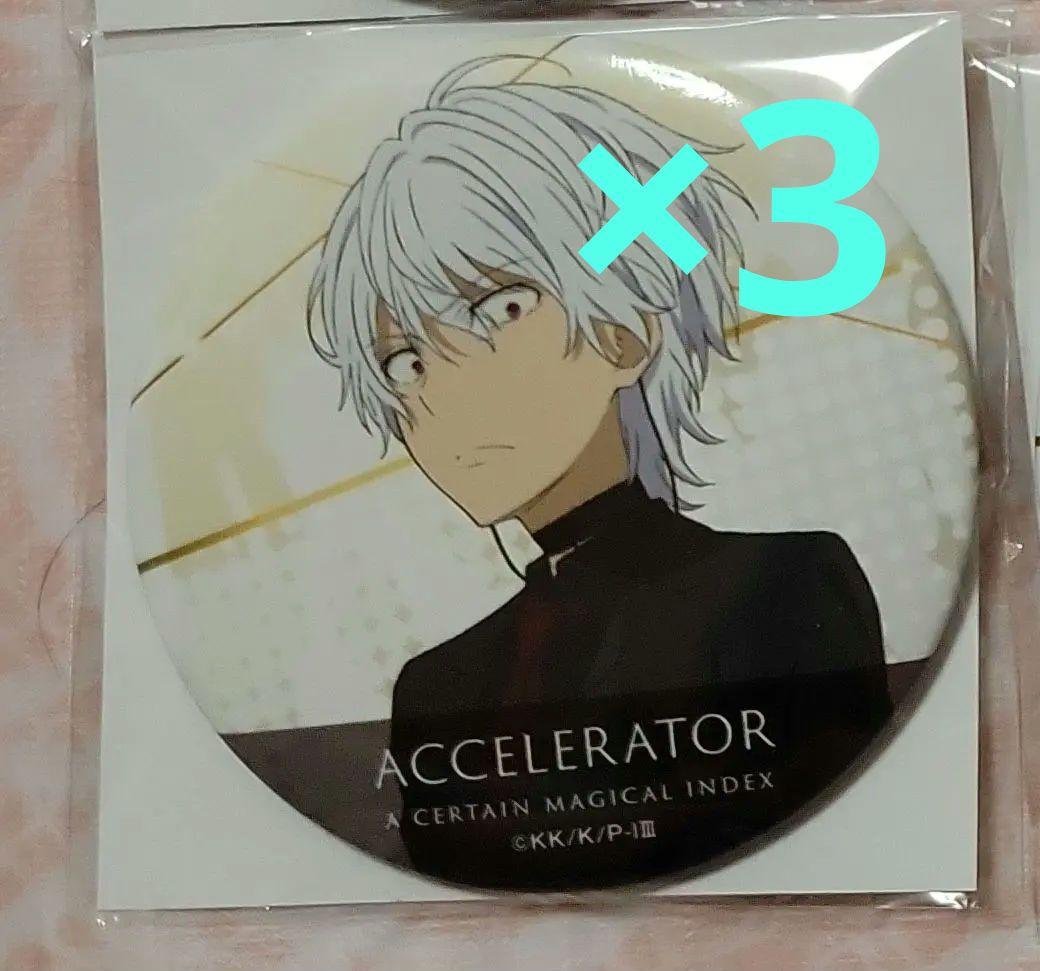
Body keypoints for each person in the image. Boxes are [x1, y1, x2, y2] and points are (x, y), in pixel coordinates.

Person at [302, 57, 893, 888]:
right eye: (404, 362)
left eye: (500, 309)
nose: (442, 390)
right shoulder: (435, 689)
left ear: (625, 334)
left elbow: (843, 845)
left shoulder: (782, 585)